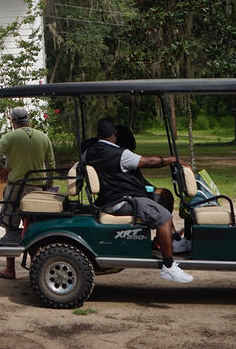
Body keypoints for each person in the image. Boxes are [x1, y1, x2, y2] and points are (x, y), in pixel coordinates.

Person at [82, 118, 194, 283]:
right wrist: (173, 159)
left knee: (163, 197)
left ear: (98, 135)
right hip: (122, 201)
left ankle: (171, 240)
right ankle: (169, 266)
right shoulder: (121, 154)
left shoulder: (88, 152)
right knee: (164, 217)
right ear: (115, 134)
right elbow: (149, 162)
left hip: (107, 199)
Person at [0, 106, 55, 280]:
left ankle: (10, 269)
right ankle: (36, 267)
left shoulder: (11, 137)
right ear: (28, 119)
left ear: (13, 122)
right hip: (37, 189)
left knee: (10, 225)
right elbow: (51, 163)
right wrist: (49, 183)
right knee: (33, 226)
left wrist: (1, 170)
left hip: (16, 188)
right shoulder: (43, 137)